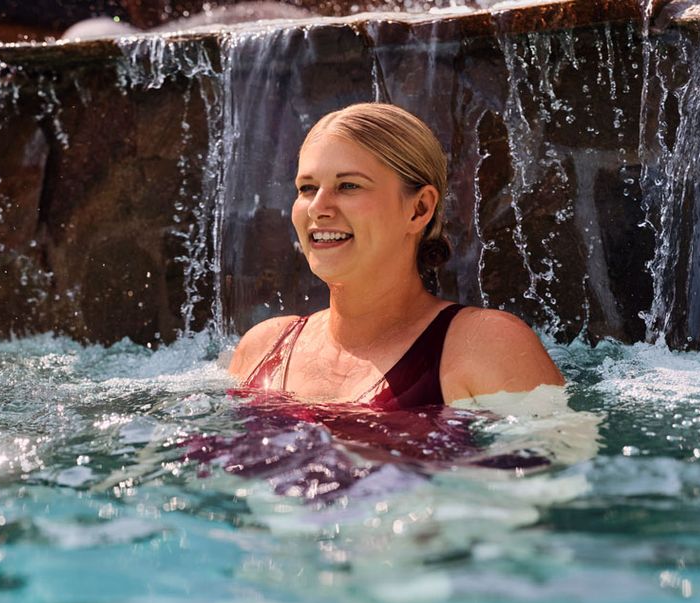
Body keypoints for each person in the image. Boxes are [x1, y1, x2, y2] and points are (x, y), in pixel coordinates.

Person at [228, 103, 564, 409]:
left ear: (419, 209)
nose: (318, 208)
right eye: (307, 188)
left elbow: (563, 472)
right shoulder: (263, 348)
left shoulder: (484, 346)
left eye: (349, 186)